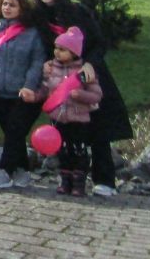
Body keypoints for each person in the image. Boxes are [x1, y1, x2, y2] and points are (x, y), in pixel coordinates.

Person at [30, 0, 132, 198]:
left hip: (88, 74)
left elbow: (98, 42)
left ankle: (104, 180)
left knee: (98, 130)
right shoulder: (39, 19)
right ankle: (69, 179)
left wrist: (89, 64)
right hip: (59, 80)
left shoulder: (76, 12)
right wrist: (48, 62)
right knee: (66, 133)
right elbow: (45, 48)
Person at [0, 0, 45, 190]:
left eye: (12, 5)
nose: (7, 8)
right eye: (5, 4)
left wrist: (29, 86)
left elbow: (37, 61)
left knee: (15, 130)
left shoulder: (32, 34)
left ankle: (5, 171)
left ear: (22, 9)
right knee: (13, 133)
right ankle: (22, 171)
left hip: (23, 94)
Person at [38, 27, 103, 197]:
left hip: (78, 118)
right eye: (56, 48)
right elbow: (46, 89)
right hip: (58, 117)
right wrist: (35, 95)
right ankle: (65, 180)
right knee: (62, 150)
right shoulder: (52, 68)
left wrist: (80, 94)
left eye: (62, 49)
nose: (57, 53)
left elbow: (97, 95)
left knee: (79, 150)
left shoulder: (83, 72)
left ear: (73, 52)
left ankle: (79, 182)